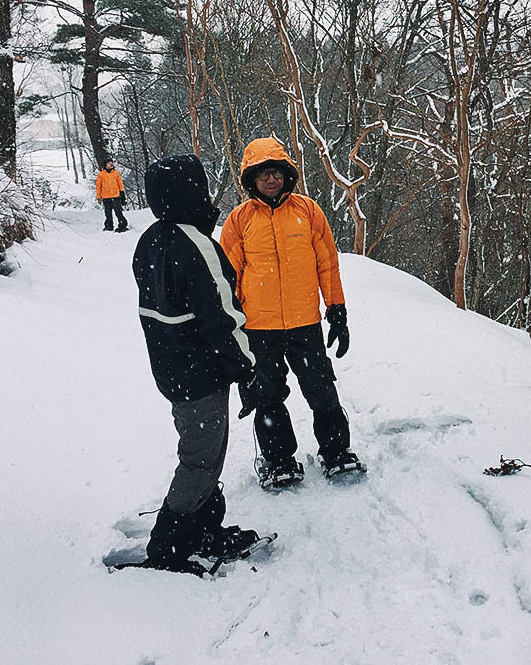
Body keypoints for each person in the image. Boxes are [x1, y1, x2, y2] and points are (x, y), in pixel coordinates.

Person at [131, 154, 264, 573]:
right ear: (191, 193)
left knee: (208, 453)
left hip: (173, 369)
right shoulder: (196, 244)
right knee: (201, 459)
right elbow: (223, 318)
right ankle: (168, 547)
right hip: (199, 373)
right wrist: (247, 369)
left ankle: (205, 529)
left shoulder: (152, 238)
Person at [219, 137, 363, 489]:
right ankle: (279, 459)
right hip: (259, 328)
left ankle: (336, 452)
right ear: (250, 179)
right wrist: (231, 329)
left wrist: (337, 309)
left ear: (287, 175)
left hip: (305, 324)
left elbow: (328, 264)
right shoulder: (238, 221)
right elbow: (227, 279)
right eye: (263, 174)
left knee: (322, 391)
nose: (271, 180)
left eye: (277, 173)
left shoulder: (308, 211)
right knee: (267, 397)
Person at [96, 159, 129, 232]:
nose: (111, 164)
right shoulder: (101, 174)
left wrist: (122, 194)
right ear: (105, 165)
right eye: (109, 163)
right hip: (106, 197)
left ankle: (122, 225)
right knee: (108, 213)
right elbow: (98, 186)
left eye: (111, 163)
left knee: (118, 212)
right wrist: (99, 197)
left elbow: (120, 184)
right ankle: (109, 226)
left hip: (116, 196)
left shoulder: (116, 173)